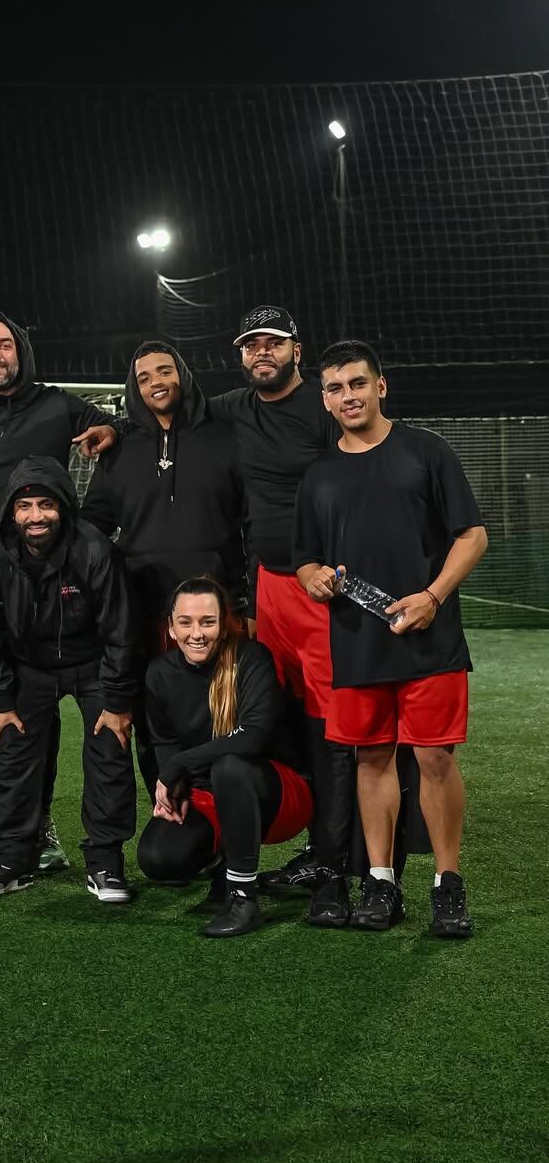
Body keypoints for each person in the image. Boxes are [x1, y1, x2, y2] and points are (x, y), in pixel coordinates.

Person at [293, 340, 487, 937]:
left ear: (381, 386)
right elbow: (304, 560)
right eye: (334, 388)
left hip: (430, 639)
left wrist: (432, 597)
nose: (346, 396)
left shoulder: (426, 451)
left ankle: (446, 884)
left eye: (356, 383)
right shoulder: (319, 475)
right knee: (371, 757)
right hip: (358, 643)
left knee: (433, 757)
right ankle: (381, 882)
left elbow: (473, 535)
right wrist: (315, 579)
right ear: (324, 400)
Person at [0, 312, 117, 873]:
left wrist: (111, 432)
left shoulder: (58, 405)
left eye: (5, 344)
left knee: (38, 708)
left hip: (48, 583)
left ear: (22, 351)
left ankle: (39, 820)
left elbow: (118, 428)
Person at [207, 304, 357, 924]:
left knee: (333, 727)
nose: (260, 353)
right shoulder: (232, 409)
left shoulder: (324, 407)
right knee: (286, 718)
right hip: (267, 587)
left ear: (298, 349)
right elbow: (165, 408)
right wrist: (108, 428)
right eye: (250, 345)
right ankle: (312, 850)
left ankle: (336, 867)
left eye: (272, 343)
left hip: (322, 586)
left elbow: (356, 480)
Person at [80, 340, 245, 796]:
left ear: (184, 375)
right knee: (153, 718)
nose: (157, 382)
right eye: (145, 377)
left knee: (219, 715)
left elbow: (247, 522)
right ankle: (168, 810)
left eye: (165, 371)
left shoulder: (224, 436)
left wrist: (244, 596)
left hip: (215, 609)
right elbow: (93, 524)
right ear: (134, 387)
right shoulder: (119, 446)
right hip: (143, 610)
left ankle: (216, 819)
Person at [0, 456, 138, 903]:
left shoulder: (94, 548)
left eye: (46, 504)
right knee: (12, 754)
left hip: (93, 664)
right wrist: (0, 699)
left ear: (64, 506)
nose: (35, 516)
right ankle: (11, 859)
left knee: (109, 750)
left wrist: (118, 701)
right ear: (11, 512)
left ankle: (105, 863)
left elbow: (121, 630)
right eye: (24, 506)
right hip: (30, 665)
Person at [139, 577, 313, 937]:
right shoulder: (159, 674)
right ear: (170, 628)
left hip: (279, 794)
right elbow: (165, 744)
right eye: (185, 623)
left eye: (207, 621)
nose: (196, 633)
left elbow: (252, 738)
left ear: (225, 624)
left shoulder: (252, 658)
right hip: (209, 794)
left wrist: (177, 766)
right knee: (159, 858)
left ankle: (243, 896)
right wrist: (177, 789)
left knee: (230, 765)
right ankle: (222, 864)